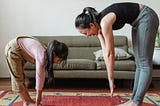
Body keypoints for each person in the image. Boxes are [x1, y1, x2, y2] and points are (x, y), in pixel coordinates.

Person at [75, 2, 159, 106]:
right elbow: (106, 54)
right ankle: (134, 100)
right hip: (137, 22)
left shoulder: (104, 23)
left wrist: (111, 79)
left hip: (146, 16)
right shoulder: (99, 28)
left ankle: (136, 102)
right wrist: (110, 79)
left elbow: (111, 53)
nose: (86, 36)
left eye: (85, 33)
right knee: (139, 63)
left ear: (91, 25)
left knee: (144, 63)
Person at [5, 36, 68, 106]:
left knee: (21, 76)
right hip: (13, 49)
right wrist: (38, 98)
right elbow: (39, 77)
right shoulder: (42, 56)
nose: (58, 62)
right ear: (54, 54)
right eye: (59, 60)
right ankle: (27, 101)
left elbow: (42, 74)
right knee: (18, 78)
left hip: (20, 48)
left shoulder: (48, 53)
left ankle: (27, 101)